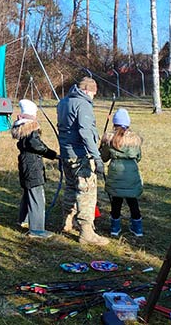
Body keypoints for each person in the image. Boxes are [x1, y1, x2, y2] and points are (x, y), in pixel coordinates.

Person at [56, 76, 109, 246]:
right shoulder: (83, 104)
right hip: (80, 156)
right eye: (93, 94)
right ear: (87, 90)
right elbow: (85, 133)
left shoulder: (63, 102)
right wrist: (97, 157)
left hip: (66, 154)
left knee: (71, 187)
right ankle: (86, 232)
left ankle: (66, 222)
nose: (93, 97)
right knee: (86, 192)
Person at [11, 99, 58, 239]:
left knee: (28, 193)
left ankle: (23, 220)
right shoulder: (31, 130)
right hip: (32, 166)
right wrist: (54, 155)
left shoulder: (23, 128)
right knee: (37, 196)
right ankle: (37, 230)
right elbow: (37, 145)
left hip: (26, 164)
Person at [100, 108, 144, 237]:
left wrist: (103, 146)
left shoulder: (109, 139)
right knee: (133, 202)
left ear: (114, 123)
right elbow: (139, 157)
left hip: (115, 175)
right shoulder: (135, 140)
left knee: (116, 202)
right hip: (131, 175)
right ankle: (138, 229)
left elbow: (104, 158)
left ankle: (115, 228)